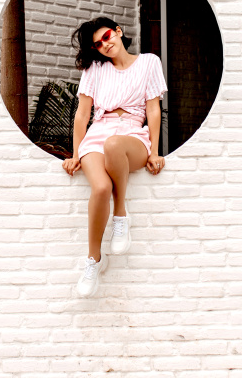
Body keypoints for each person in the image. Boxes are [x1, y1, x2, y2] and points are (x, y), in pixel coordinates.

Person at [62, 16, 167, 297]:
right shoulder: (95, 68)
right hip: (98, 133)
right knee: (100, 187)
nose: (104, 44)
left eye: (107, 36)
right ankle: (93, 259)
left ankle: (121, 215)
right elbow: (83, 115)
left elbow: (153, 110)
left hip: (132, 135)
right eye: (97, 44)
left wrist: (155, 152)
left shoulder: (149, 62)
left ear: (118, 32)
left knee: (113, 145)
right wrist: (75, 154)